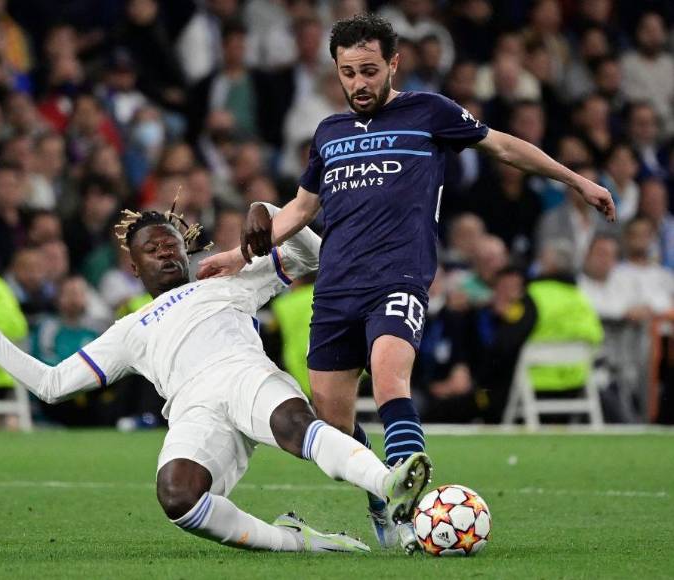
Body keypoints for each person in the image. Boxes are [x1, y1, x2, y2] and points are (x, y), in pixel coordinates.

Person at [198, 13, 615, 550]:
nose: (359, 84)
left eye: (369, 70)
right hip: (336, 286)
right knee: (332, 424)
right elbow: (301, 208)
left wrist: (576, 180)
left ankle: (418, 515)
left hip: (399, 275)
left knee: (391, 378)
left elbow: (505, 146)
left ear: (393, 64)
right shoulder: (328, 133)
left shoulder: (429, 112)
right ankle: (382, 502)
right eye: (348, 73)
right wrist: (238, 255)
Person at [0, 203, 429, 554]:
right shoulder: (127, 329)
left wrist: (270, 212)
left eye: (172, 245)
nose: (167, 253)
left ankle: (388, 483)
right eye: (153, 249)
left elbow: (316, 256)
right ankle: (300, 542)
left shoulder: (226, 279)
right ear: (133, 263)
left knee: (295, 424)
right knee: (177, 496)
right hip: (193, 409)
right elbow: (52, 385)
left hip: (243, 373)